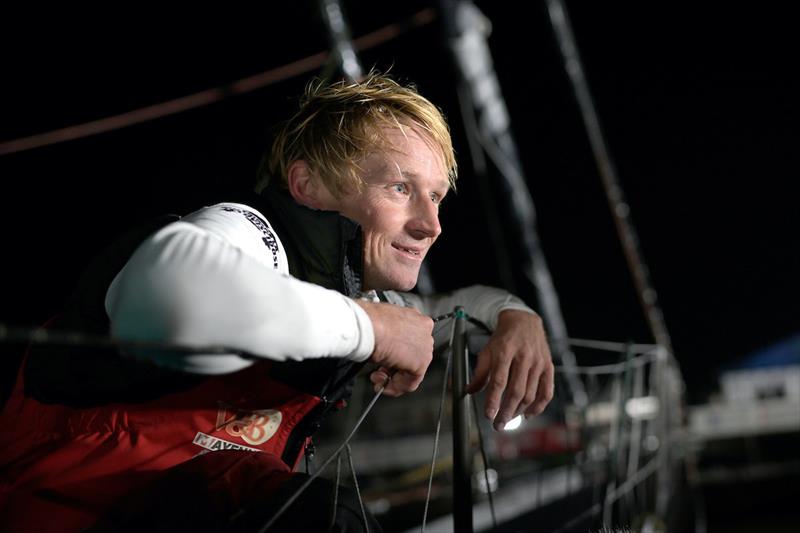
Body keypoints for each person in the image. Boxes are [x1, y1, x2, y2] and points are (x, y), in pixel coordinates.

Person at [0, 73, 554, 532]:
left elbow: (449, 309)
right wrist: (371, 329)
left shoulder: (353, 292)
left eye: (435, 196)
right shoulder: (248, 232)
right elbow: (176, 302)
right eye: (400, 188)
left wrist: (515, 315)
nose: (431, 224)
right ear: (308, 186)